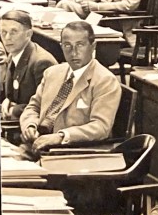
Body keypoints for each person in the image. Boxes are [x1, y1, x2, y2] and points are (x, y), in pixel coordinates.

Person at [20, 21, 122, 151]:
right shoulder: (52, 72)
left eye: (80, 45)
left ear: (93, 46)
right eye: (67, 46)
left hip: (71, 150)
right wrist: (30, 125)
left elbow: (101, 127)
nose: (74, 53)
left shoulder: (105, 81)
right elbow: (33, 107)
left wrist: (61, 136)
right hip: (36, 144)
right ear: (61, 46)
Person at [0, 10, 57, 123]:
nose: (7, 37)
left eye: (13, 32)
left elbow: (48, 107)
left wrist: (15, 110)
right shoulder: (14, 53)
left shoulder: (42, 62)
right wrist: (7, 100)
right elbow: (12, 93)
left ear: (28, 34)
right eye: (3, 32)